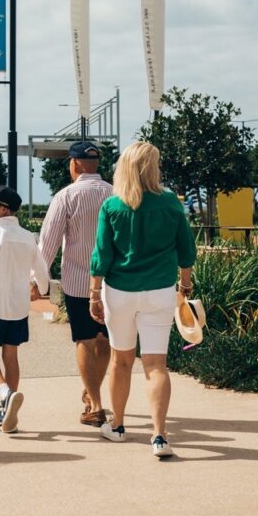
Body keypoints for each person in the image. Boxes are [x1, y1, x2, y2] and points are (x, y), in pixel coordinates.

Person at [88, 142, 195, 458]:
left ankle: (118, 426)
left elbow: (102, 255)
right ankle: (159, 436)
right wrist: (185, 284)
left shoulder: (112, 206)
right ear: (152, 168)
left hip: (119, 292)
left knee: (121, 360)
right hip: (159, 291)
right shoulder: (171, 204)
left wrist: (94, 293)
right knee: (156, 364)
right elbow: (186, 250)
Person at [35, 140, 113, 426]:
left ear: (75, 164)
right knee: (105, 340)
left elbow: (48, 243)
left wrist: (37, 281)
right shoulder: (116, 194)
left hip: (79, 284)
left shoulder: (66, 196)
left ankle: (95, 405)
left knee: (85, 340)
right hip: (113, 283)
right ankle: (92, 393)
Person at [0, 186, 50, 434]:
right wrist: (39, 288)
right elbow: (42, 272)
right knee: (11, 356)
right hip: (19, 308)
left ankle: (5, 394)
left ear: (4, 209)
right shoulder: (28, 237)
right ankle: (6, 414)